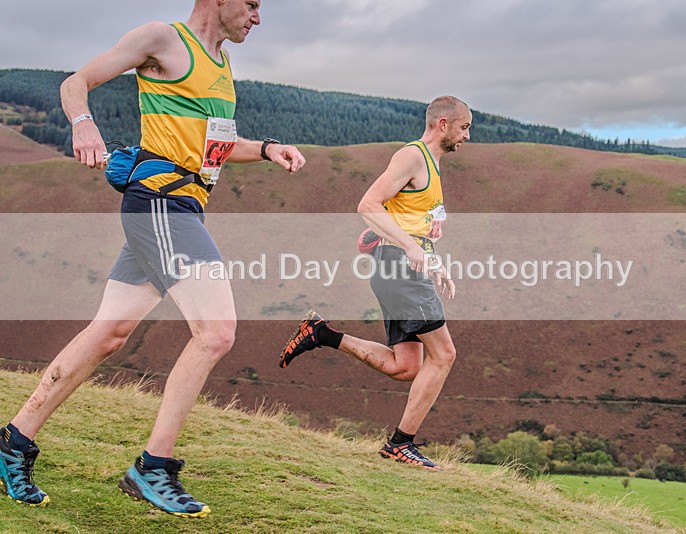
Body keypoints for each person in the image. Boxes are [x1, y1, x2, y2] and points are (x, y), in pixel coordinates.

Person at [0, 0, 305, 518]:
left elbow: (217, 145)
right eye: (253, 4)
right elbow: (75, 83)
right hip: (159, 204)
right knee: (216, 332)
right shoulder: (163, 39)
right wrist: (83, 124)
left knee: (110, 332)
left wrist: (269, 147)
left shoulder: (222, 65)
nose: (258, 17)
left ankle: (12, 443)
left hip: (182, 208)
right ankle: (152, 468)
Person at [279, 96, 471, 471]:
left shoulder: (431, 166)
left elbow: (413, 226)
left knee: (407, 366)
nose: (468, 135)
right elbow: (368, 205)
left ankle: (322, 334)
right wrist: (410, 249)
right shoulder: (412, 157)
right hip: (399, 268)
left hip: (401, 268)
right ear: (443, 124)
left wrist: (434, 264)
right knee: (444, 355)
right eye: (465, 127)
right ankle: (400, 444)